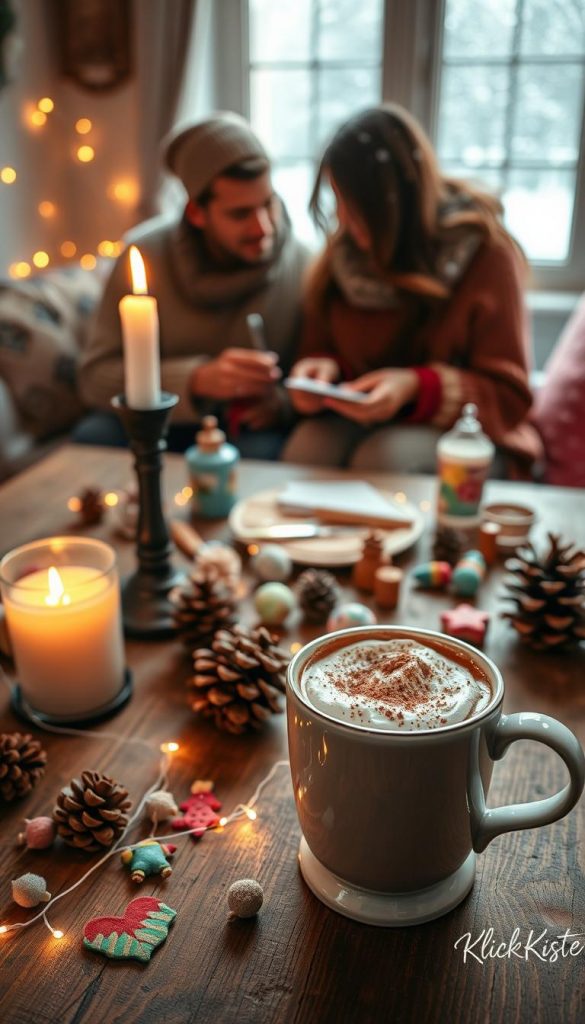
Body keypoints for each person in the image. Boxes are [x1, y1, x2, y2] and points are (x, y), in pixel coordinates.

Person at [282, 104, 542, 475]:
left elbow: (510, 399)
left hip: (470, 439)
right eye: (338, 201)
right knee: (307, 447)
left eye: (356, 207)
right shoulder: (343, 256)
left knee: (383, 458)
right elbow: (319, 349)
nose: (343, 218)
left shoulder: (486, 254)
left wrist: (416, 387)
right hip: (365, 424)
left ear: (397, 204)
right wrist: (322, 373)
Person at [76, 112, 309, 459]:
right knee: (90, 440)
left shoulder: (303, 262)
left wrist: (283, 404)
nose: (264, 228)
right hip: (159, 420)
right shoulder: (142, 255)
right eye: (240, 214)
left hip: (247, 432)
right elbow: (94, 377)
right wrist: (196, 379)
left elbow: (319, 373)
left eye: (268, 204)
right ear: (197, 213)